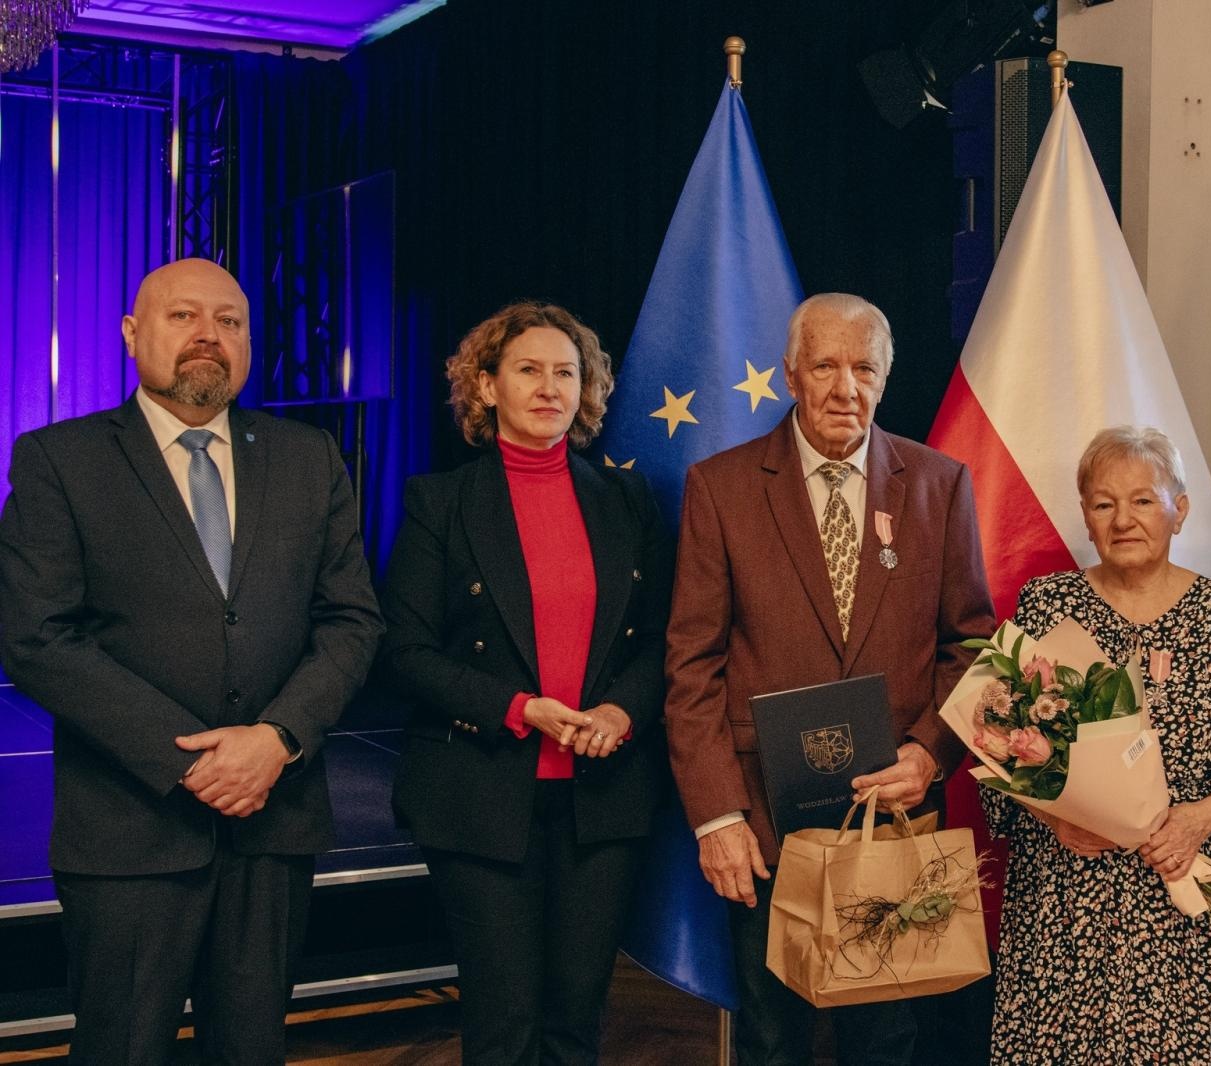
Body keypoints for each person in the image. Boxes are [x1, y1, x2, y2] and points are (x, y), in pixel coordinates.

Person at [0, 257, 383, 1064]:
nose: (209, 335)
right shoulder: (59, 461)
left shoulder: (310, 457)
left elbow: (351, 621)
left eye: (231, 321)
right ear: (133, 335)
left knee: (250, 1051)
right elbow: (36, 635)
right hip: (132, 826)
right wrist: (194, 761)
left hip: (273, 819)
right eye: (183, 317)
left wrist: (274, 740)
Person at [665, 292, 996, 1064]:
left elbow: (973, 647)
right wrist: (717, 818)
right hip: (763, 826)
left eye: (864, 368)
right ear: (790, 374)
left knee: (885, 1041)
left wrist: (931, 753)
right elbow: (691, 666)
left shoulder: (939, 483)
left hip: (896, 819)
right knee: (772, 1038)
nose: (846, 387)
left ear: (884, 378)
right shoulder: (722, 487)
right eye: (826, 365)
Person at [384, 300, 671, 1065]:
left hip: (601, 801)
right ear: (485, 387)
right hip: (480, 795)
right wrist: (517, 708)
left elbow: (671, 639)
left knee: (576, 1020)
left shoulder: (627, 502)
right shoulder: (439, 504)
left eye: (566, 373)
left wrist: (622, 711)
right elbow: (403, 652)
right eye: (528, 370)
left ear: (587, 392)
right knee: (504, 1025)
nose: (550, 387)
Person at [981, 425, 1211, 1064]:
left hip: (1185, 898)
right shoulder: (1046, 605)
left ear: (1180, 508)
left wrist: (1201, 819)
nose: (1123, 520)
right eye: (1103, 503)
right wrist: (1054, 812)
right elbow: (999, 744)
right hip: (1066, 903)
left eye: (1143, 500)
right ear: (1086, 518)